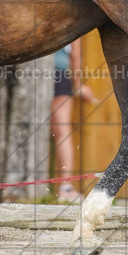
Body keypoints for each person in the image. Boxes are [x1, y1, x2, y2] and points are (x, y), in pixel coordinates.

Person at [50, 38, 96, 203]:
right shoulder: (69, 22)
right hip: (59, 73)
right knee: (62, 133)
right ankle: (65, 187)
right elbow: (75, 53)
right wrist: (77, 85)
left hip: (28, 74)